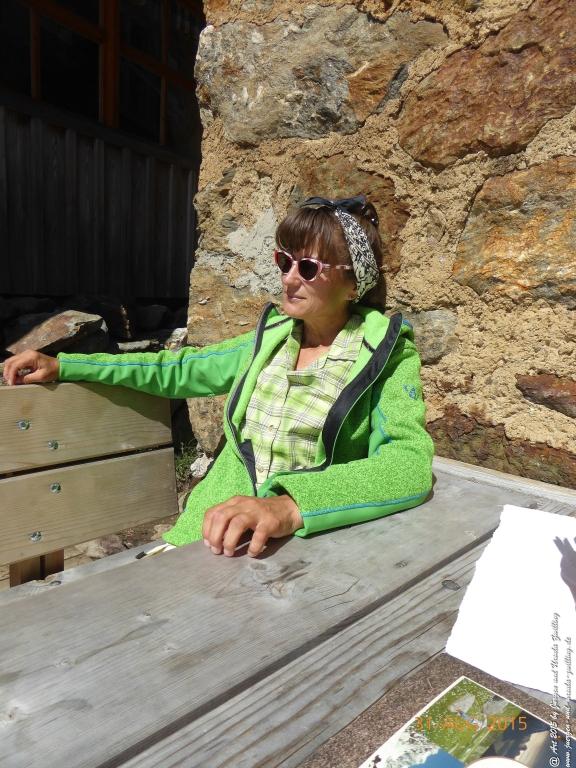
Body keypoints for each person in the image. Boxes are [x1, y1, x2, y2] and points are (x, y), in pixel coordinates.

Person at [4, 194, 434, 558]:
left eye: (307, 268)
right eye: (284, 261)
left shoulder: (386, 354)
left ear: (354, 284)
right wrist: (68, 364)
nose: (287, 278)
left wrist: (290, 507)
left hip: (302, 553)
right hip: (207, 541)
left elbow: (408, 464)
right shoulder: (272, 340)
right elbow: (179, 368)